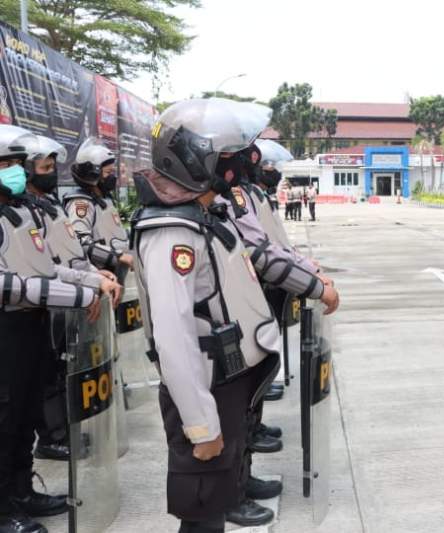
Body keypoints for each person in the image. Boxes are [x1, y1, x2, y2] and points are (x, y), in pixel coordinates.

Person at [130, 98, 339, 533]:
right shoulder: (172, 232)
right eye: (226, 155)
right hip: (206, 388)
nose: (237, 164)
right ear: (194, 161)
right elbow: (173, 338)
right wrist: (200, 425)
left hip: (226, 380)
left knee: (216, 502)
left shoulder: (208, 214)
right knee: (203, 515)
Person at [215, 143, 339, 527]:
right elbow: (260, 253)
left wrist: (303, 268)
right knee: (229, 412)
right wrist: (312, 283)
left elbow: (272, 244)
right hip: (227, 317)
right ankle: (229, 495)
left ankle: (241, 481)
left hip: (245, 307)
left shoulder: (236, 198)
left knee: (243, 406)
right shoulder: (213, 205)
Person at [0, 124, 109, 533]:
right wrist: (78, 296)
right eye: (5, 165)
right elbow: (9, 286)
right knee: (4, 421)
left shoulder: (21, 213)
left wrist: (91, 281)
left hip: (31, 329)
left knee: (25, 415)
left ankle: (21, 491)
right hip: (5, 330)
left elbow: (48, 269)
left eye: (17, 163)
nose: (15, 171)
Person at [25, 135, 122, 461]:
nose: (52, 173)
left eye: (53, 167)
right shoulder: (28, 213)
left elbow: (74, 253)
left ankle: (61, 431)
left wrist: (95, 275)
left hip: (72, 297)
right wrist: (88, 284)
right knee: (48, 374)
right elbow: (46, 266)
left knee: (62, 369)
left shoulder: (50, 205)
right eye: (45, 168)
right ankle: (51, 438)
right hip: (50, 300)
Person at [63, 137, 134, 281]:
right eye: (108, 173)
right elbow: (80, 241)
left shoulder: (104, 199)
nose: (112, 177)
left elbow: (115, 233)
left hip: (115, 273)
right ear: (92, 174)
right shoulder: (81, 203)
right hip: (98, 275)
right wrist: (118, 256)